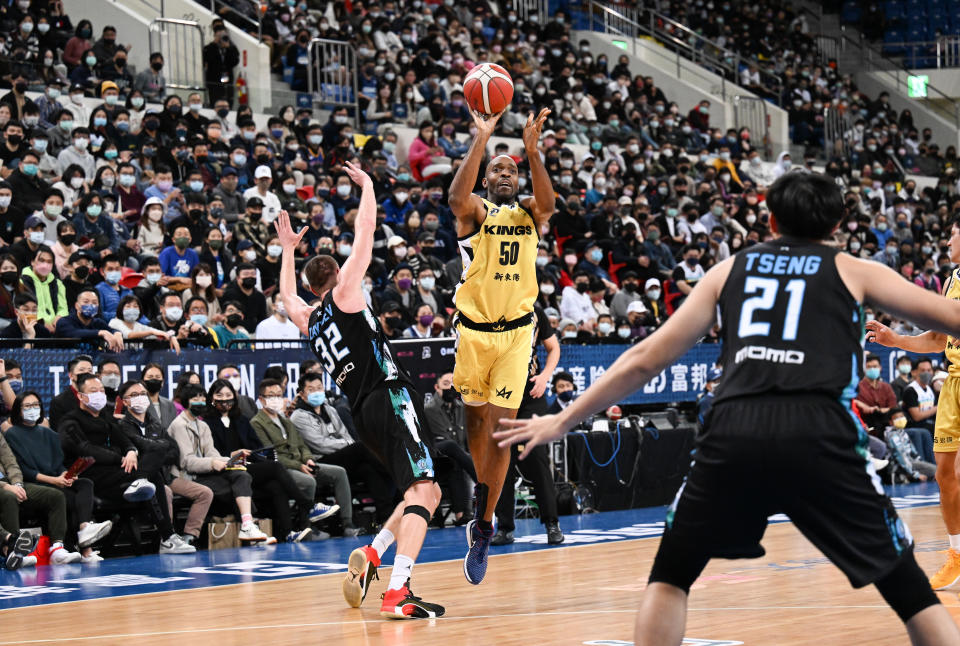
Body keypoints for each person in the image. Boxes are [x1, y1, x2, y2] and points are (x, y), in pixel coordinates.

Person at [496, 172, 960, 646]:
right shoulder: (856, 270)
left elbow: (645, 359)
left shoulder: (730, 269)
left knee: (671, 577)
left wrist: (564, 418)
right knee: (910, 591)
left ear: (772, 218)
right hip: (821, 435)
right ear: (838, 222)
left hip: (735, 431)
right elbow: (953, 322)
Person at [277, 161, 444, 619]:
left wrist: (287, 250)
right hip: (390, 397)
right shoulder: (347, 293)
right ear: (336, 274)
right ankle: (398, 589)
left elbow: (287, 298)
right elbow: (366, 230)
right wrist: (368, 186)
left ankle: (374, 553)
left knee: (420, 494)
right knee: (427, 490)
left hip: (361, 413)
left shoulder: (310, 320)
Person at [446, 107, 556, 584]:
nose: (506, 174)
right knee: (473, 424)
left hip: (516, 335)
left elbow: (549, 204)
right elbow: (454, 195)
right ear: (487, 180)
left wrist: (533, 153)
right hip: (473, 332)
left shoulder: (531, 214)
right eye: (498, 169)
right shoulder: (476, 211)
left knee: (502, 431)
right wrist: (481, 139)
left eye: (512, 170)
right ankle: (484, 495)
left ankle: (486, 523)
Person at [868, 223, 960, 591]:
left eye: (954, 234)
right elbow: (939, 338)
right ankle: (957, 555)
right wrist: (897, 340)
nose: (948, 240)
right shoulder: (954, 279)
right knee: (945, 475)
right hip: (954, 383)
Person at [492, 304, 563, 545]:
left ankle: (552, 523)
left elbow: (553, 348)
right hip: (500, 394)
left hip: (530, 394)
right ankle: (504, 527)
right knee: (502, 462)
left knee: (537, 457)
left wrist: (545, 376)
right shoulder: (491, 305)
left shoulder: (534, 310)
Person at [167, 383, 273, 544]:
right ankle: (249, 531)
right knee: (233, 488)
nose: (201, 402)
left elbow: (212, 453)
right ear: (186, 402)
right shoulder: (179, 425)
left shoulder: (202, 425)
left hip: (203, 473)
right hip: (186, 476)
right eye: (196, 399)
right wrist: (213, 463)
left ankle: (247, 525)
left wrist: (230, 462)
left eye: (203, 398)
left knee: (240, 474)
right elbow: (186, 462)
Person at [116, 380, 212, 547]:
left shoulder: (155, 424)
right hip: (140, 476)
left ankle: (189, 536)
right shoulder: (123, 426)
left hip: (167, 475)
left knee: (205, 493)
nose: (140, 398)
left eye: (142, 394)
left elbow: (174, 451)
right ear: (125, 401)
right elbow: (145, 446)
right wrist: (158, 447)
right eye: (134, 395)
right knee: (163, 489)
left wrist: (155, 449)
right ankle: (166, 537)